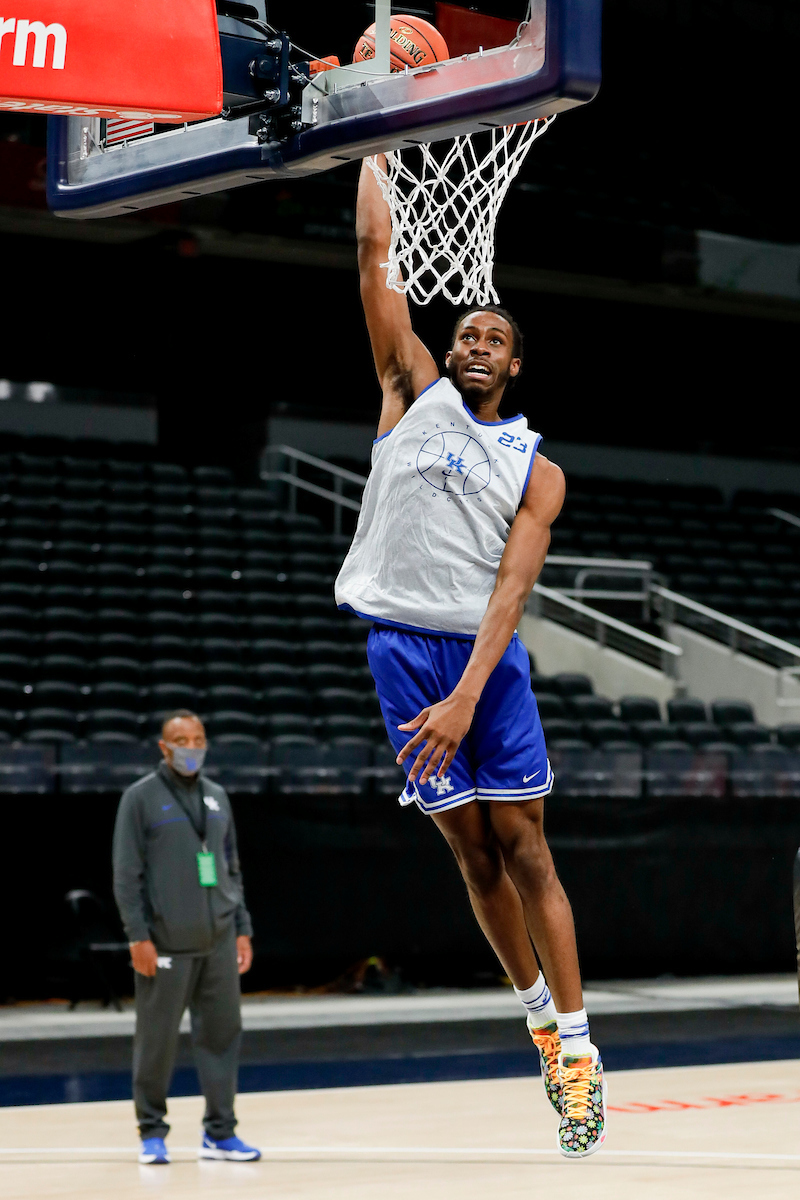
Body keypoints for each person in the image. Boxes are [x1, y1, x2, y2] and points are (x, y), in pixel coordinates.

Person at [334, 158, 606, 1159]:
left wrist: (464, 695)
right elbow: (372, 256)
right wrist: (370, 140)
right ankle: (534, 1014)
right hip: (400, 649)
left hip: (480, 661)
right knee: (471, 851)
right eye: (466, 334)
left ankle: (575, 1051)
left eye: (495, 338)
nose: (476, 343)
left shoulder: (536, 470)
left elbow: (511, 593)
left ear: (516, 366)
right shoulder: (408, 389)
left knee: (524, 844)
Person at [112, 710, 261, 1165]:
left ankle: (220, 1133)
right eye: (181, 739)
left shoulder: (217, 797)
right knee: (156, 1041)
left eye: (198, 738)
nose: (191, 747)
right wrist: (138, 936)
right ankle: (151, 1132)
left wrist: (241, 929)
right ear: (164, 746)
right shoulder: (140, 798)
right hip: (165, 943)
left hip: (218, 938)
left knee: (221, 1036)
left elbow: (230, 866)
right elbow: (126, 875)